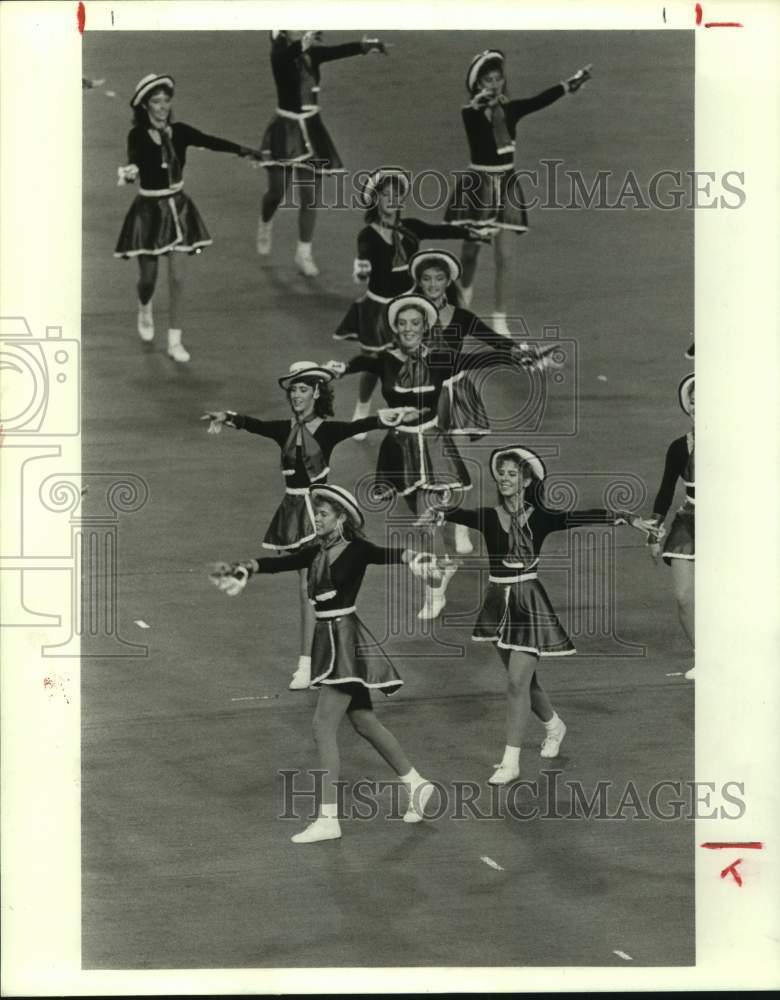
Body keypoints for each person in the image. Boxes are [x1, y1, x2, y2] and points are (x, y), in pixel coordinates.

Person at [210, 484, 437, 844]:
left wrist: (419, 559)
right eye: (316, 513)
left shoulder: (358, 550)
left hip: (344, 642)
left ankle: (328, 818)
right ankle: (417, 784)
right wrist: (247, 567)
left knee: (322, 725)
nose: (317, 519)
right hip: (330, 641)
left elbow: (391, 554)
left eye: (324, 514)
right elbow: (280, 563)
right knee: (364, 721)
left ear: (341, 518)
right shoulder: (316, 551)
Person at [419, 446, 643, 783]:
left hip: (528, 605)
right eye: (502, 474)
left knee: (516, 683)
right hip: (497, 604)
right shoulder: (488, 516)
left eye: (512, 474)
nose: (505, 479)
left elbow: (581, 517)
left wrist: (626, 516)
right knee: (524, 681)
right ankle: (554, 725)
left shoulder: (541, 517)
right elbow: (455, 512)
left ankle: (510, 762)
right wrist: (436, 510)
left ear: (526, 481)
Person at [202, 361, 423, 688]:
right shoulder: (284, 429)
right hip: (293, 513)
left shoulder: (329, 431)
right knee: (306, 587)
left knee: (315, 588)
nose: (296, 395)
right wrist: (229, 417)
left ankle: (314, 662)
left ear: (317, 392)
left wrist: (392, 417)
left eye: (303, 389)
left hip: (320, 512)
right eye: (293, 390)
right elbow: (255, 425)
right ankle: (311, 662)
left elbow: (362, 424)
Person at [329, 294, 545, 618]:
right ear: (395, 328)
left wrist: (517, 355)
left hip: (432, 445)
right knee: (421, 513)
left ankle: (435, 590)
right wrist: (336, 370)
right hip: (398, 448)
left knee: (426, 521)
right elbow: (359, 364)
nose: (408, 329)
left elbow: (479, 360)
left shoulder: (441, 360)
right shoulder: (384, 359)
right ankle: (445, 558)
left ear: (424, 327)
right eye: (403, 323)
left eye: (415, 323)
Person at [444, 49, 592, 335]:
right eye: (488, 80)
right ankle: (464, 298)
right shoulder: (470, 113)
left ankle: (499, 319)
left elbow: (539, 100)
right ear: (477, 84)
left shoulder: (511, 110)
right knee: (470, 253)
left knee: (505, 256)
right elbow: (474, 117)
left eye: (498, 79)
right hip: (478, 187)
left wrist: (569, 84)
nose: (494, 84)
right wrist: (480, 104)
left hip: (507, 187)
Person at [115, 73, 259, 361]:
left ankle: (175, 342)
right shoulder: (137, 135)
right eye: (156, 101)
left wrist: (244, 151)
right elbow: (134, 158)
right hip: (149, 211)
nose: (163, 106)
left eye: (166, 101)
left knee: (178, 278)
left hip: (179, 210)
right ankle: (145, 306)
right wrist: (131, 171)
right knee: (148, 278)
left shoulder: (180, 132)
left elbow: (209, 140)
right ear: (144, 105)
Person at [334, 167, 490, 433]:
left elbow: (440, 231)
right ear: (375, 200)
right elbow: (363, 253)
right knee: (373, 361)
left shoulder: (411, 228)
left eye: (396, 195)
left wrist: (471, 233)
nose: (392, 200)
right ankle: (362, 406)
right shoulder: (368, 234)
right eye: (386, 195)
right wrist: (361, 266)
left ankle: (425, 410)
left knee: (422, 357)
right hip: (378, 308)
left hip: (410, 304)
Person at [256, 31, 390, 277]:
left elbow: (338, 51)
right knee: (277, 192)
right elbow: (288, 54)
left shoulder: (312, 54)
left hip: (312, 129)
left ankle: (303, 253)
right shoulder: (278, 55)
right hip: (285, 130)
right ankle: (265, 223)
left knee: (309, 197)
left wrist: (367, 46)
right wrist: (304, 40)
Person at [642, 374, 695, 680]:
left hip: (728, 522)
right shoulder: (679, 447)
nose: (698, 408)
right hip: (689, 522)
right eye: (693, 402)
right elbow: (665, 491)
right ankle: (703, 654)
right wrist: (653, 533)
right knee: (683, 597)